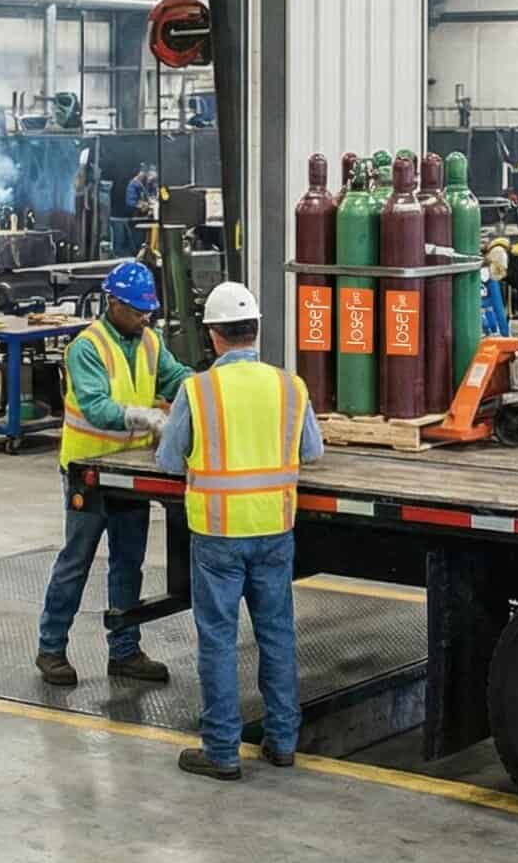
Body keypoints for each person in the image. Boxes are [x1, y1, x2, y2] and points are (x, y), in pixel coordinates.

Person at [154, 281, 323, 780]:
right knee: (276, 635)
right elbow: (311, 451)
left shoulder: (198, 389)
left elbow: (169, 460)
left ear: (213, 336)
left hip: (217, 534)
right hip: (274, 527)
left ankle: (223, 751)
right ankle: (282, 741)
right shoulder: (290, 386)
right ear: (255, 330)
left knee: (219, 641)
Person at [36, 262, 193, 687]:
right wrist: (144, 417)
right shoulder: (87, 347)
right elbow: (95, 406)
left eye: (149, 310)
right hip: (89, 473)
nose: (146, 317)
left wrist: (205, 388)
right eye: (138, 309)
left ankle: (124, 652)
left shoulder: (150, 341)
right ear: (113, 303)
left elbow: (175, 376)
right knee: (76, 561)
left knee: (129, 564)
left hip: (130, 474)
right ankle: (51, 649)